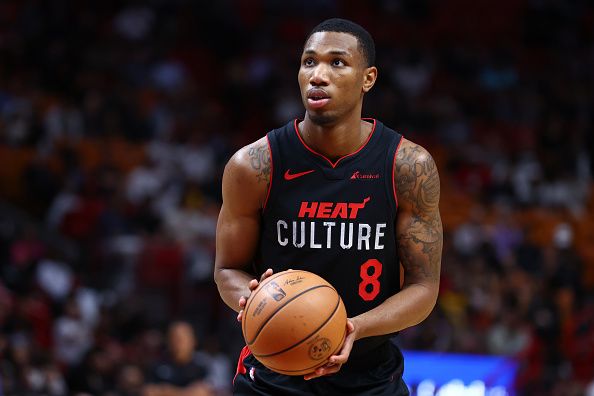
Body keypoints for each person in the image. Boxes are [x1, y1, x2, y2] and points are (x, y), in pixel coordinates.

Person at [214, 18, 442, 395]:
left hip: (370, 376)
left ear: (368, 78)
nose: (318, 75)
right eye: (309, 62)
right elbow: (227, 269)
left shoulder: (408, 167)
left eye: (337, 62)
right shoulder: (254, 166)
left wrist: (352, 328)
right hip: (273, 375)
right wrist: (251, 296)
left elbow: (424, 289)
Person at [143, 321, 212, 396]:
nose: (178, 343)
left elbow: (203, 393)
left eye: (182, 339)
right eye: (174, 338)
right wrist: (188, 392)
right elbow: (148, 392)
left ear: (193, 341)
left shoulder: (202, 365)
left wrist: (166, 390)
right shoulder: (157, 365)